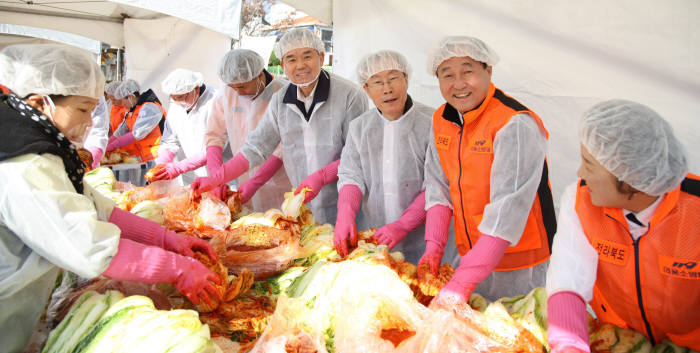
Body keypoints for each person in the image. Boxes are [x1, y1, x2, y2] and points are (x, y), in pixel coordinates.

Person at [0, 44, 221, 353]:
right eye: (82, 109)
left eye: (93, 109)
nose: (90, 122)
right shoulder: (25, 165)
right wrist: (177, 268)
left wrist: (169, 240)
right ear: (39, 103)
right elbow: (90, 246)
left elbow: (100, 209)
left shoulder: (41, 147)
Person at [546, 100, 699, 353]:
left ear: (630, 180)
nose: (579, 173)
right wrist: (568, 344)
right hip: (621, 341)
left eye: (589, 164)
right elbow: (568, 278)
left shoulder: (695, 211)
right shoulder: (580, 199)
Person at [422, 36, 557, 303]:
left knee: (515, 335)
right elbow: (438, 185)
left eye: (468, 71)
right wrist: (434, 246)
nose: (458, 84)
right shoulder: (441, 119)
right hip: (471, 252)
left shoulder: (514, 123)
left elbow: (508, 209)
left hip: (520, 261)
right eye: (447, 74)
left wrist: (465, 277)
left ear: (489, 71)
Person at [191, 28, 368, 224]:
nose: (300, 65)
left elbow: (357, 153)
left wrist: (322, 176)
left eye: (307, 56)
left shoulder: (350, 95)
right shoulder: (281, 100)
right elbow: (256, 147)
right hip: (300, 202)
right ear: (283, 64)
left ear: (322, 57)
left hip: (344, 200)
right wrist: (215, 179)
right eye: (291, 59)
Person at [333, 50, 437, 264]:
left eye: (393, 78)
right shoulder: (360, 127)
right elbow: (351, 175)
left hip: (423, 241)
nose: (387, 89)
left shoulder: (433, 123)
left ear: (406, 79)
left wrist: (404, 224)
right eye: (377, 82)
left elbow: (437, 184)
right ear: (366, 90)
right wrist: (345, 212)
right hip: (375, 237)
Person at [201, 49, 292, 211]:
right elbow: (214, 136)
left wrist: (256, 181)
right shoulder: (226, 95)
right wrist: (217, 178)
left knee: (282, 222)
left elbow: (283, 147)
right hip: (243, 175)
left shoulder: (284, 93)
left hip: (281, 182)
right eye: (232, 87)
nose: (238, 92)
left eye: (242, 86)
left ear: (258, 75)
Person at [148, 68, 218, 185]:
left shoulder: (215, 101)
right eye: (173, 98)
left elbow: (214, 147)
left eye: (180, 97)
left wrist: (179, 167)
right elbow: (170, 140)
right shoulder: (177, 106)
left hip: (223, 174)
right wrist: (161, 164)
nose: (177, 102)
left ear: (195, 89)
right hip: (195, 176)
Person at [107, 78, 166, 165]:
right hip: (146, 156)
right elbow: (122, 130)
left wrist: (113, 145)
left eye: (123, 101)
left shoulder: (150, 108)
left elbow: (137, 133)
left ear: (130, 97)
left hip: (158, 156)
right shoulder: (133, 109)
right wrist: (107, 144)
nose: (122, 105)